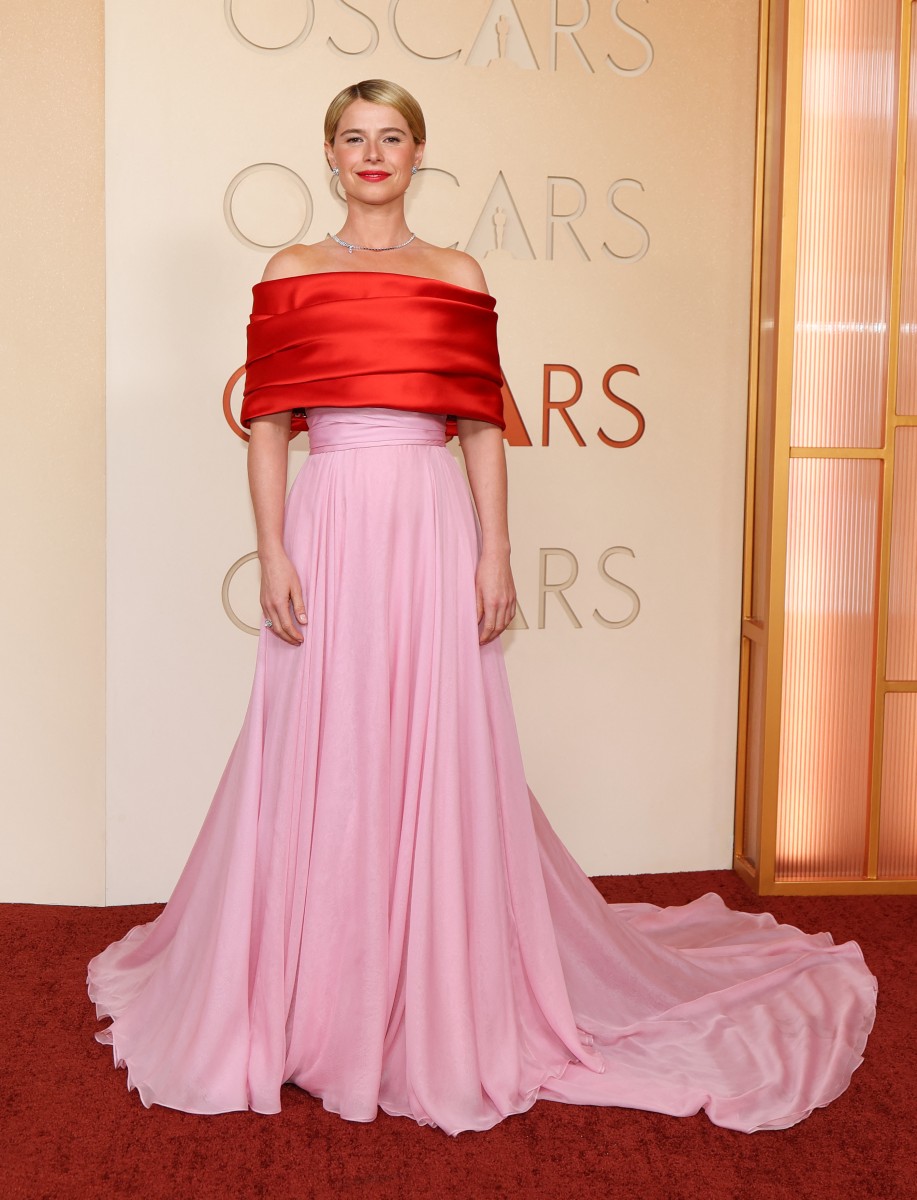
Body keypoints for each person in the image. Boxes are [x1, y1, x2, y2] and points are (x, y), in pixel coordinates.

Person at [87, 79, 877, 1136]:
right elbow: (270, 423)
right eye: (354, 138)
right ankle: (312, 995)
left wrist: (493, 551)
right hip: (330, 519)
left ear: (418, 154)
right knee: (319, 739)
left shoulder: (456, 274)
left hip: (428, 521)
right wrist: (272, 548)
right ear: (329, 156)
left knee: (431, 740)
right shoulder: (289, 272)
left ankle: (430, 990)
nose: (372, 154)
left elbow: (481, 429)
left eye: (391, 137)